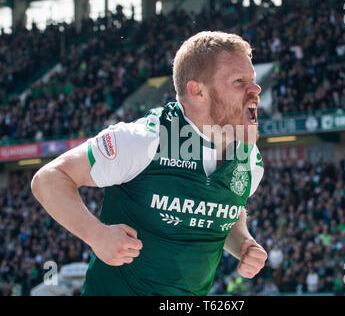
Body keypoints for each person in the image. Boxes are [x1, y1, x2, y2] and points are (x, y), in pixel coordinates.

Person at [31, 31, 268, 296]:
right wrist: (96, 235)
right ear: (197, 90)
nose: (255, 90)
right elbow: (49, 178)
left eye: (253, 80)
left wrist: (243, 242)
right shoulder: (145, 139)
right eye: (239, 81)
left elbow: (227, 211)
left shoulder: (250, 160)